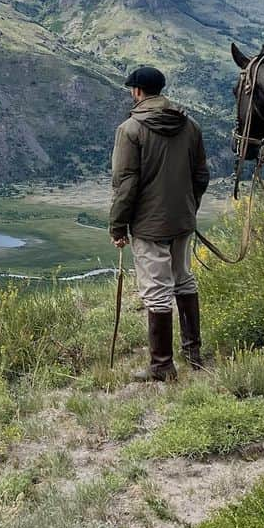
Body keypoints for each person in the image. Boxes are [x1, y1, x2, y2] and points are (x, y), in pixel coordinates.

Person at [110, 65, 210, 381]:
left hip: (148, 224)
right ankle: (193, 354)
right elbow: (201, 175)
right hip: (182, 219)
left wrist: (117, 225)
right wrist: (188, 206)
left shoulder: (130, 130)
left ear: (137, 91)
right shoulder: (190, 124)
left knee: (156, 291)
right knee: (183, 279)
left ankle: (163, 366)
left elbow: (126, 183)